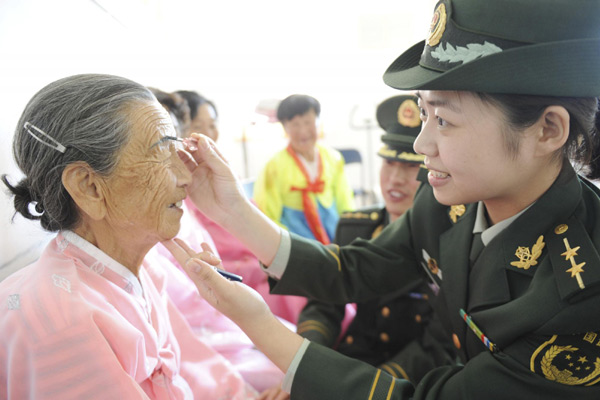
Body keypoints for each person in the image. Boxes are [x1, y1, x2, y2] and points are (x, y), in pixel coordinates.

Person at [163, 0, 600, 398]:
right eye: (424, 113)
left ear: (547, 130)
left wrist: (259, 323)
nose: (422, 144)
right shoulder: (450, 201)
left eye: (445, 119)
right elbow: (352, 270)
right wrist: (231, 209)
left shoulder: (581, 295)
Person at [0, 74, 261, 399]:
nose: (185, 176)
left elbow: (190, 367)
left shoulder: (140, 268)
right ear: (89, 187)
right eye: (161, 153)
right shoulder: (64, 324)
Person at [147, 86, 289, 396]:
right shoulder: (146, 237)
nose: (181, 175)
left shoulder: (193, 196)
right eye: (159, 153)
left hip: (223, 323)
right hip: (209, 337)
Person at [297, 94, 439, 383]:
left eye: (411, 167)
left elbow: (439, 345)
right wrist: (305, 361)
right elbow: (325, 303)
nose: (395, 179)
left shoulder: (449, 240)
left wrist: (369, 387)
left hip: (412, 380)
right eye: (388, 163)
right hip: (354, 362)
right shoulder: (356, 228)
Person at [253, 94, 355, 245]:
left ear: (317, 122)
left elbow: (345, 202)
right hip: (295, 244)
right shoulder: (273, 167)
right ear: (284, 127)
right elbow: (267, 215)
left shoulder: (334, 158)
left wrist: (350, 233)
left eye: (308, 122)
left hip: (335, 237)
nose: (303, 131)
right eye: (295, 124)